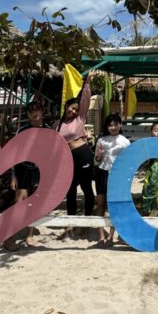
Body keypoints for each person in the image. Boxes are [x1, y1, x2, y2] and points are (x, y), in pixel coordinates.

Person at [11, 100, 53, 247]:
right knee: (19, 203)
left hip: (39, 171)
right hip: (23, 169)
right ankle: (10, 236)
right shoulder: (22, 130)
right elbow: (14, 154)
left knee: (35, 204)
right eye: (31, 111)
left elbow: (52, 154)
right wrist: (13, 175)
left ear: (42, 112)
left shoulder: (48, 131)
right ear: (28, 114)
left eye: (37, 110)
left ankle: (29, 236)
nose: (34, 114)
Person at [58, 77, 96, 220]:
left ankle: (88, 219)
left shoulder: (80, 119)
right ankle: (71, 222)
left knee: (86, 187)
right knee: (70, 189)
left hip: (83, 154)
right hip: (68, 158)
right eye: (72, 108)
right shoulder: (57, 124)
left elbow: (85, 100)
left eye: (76, 110)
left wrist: (87, 83)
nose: (74, 111)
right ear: (66, 106)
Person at [93, 113, 130, 246]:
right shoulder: (101, 140)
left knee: (114, 206)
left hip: (117, 175)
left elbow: (128, 162)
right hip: (102, 173)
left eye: (115, 124)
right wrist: (98, 156)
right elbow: (96, 161)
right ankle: (101, 237)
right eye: (110, 125)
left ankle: (111, 236)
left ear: (120, 125)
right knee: (100, 205)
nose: (113, 127)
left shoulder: (125, 142)